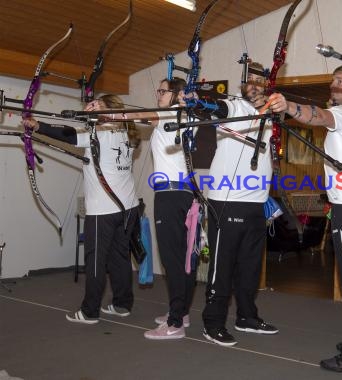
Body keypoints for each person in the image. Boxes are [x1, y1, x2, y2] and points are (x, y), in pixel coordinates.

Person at [267, 65, 342, 372]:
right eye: (333, 81)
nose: (333, 85)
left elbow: (319, 116)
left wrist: (288, 106)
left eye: (340, 81)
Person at [23, 94, 139, 324]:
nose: (94, 109)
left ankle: (89, 311)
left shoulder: (100, 135)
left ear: (109, 113)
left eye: (99, 107)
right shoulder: (128, 135)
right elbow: (84, 133)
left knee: (95, 260)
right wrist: (91, 115)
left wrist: (37, 126)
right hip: (129, 207)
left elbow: (67, 134)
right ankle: (122, 304)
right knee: (120, 259)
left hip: (103, 210)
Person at [196, 62, 278, 347]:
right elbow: (215, 108)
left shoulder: (270, 111)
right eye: (250, 80)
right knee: (223, 265)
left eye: (261, 80)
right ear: (243, 84)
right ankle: (213, 322)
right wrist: (198, 100)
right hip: (226, 200)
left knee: (250, 266)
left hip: (256, 201)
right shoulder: (233, 106)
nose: (255, 84)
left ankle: (247, 317)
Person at [125, 77, 199, 340]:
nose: (158, 93)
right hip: (184, 194)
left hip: (169, 195)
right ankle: (181, 312)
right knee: (184, 257)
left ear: (176, 94)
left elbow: (143, 115)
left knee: (173, 260)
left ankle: (175, 323)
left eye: (162, 90)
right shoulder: (184, 117)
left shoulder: (170, 113)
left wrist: (111, 113)